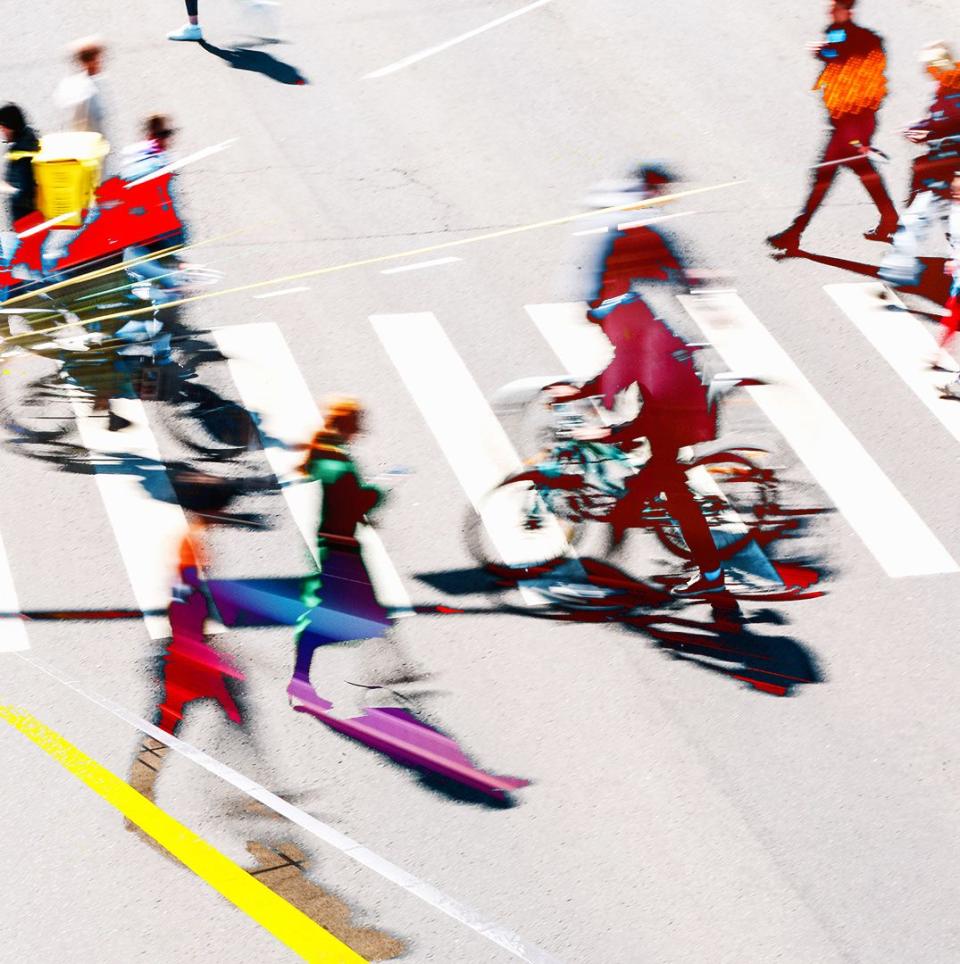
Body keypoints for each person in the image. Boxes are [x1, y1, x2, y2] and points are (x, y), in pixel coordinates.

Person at [551, 166, 726, 597]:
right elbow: (622, 366)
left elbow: (623, 370)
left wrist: (594, 407)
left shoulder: (623, 316)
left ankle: (711, 578)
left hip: (678, 408)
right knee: (641, 479)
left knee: (667, 488)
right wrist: (589, 395)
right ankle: (621, 538)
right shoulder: (626, 313)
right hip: (666, 399)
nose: (597, 329)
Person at [767, 0, 898, 252]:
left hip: (854, 122)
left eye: (834, 7)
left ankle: (795, 232)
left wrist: (825, 51)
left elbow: (848, 56)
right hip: (845, 120)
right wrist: (826, 51)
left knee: (823, 175)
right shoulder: (836, 31)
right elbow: (837, 53)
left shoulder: (865, 39)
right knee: (859, 168)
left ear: (847, 10)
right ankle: (889, 217)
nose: (829, 11)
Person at [289, 397, 391, 700]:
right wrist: (376, 495)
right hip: (339, 550)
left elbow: (345, 499)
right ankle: (300, 680)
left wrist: (363, 508)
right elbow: (351, 497)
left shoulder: (332, 451)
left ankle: (302, 680)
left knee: (371, 614)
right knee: (358, 617)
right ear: (349, 426)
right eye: (358, 422)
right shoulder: (338, 461)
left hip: (339, 546)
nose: (362, 427)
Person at [878, 42, 960, 288]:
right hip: (941, 170)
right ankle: (898, 270)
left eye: (930, 68)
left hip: (953, 174)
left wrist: (931, 136)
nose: (928, 73)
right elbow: (938, 120)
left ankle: (899, 270)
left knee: (923, 221)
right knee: (923, 221)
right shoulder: (944, 88)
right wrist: (918, 126)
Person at [54, 36, 108, 136]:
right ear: (91, 61)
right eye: (99, 57)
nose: (101, 62)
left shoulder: (69, 84)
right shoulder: (84, 88)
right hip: (87, 146)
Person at [0, 104, 39, 229]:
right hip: (33, 214)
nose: (2, 132)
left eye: (3, 128)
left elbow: (21, 190)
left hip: (26, 218)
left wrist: (4, 187)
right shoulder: (29, 136)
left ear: (11, 127)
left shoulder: (20, 152)